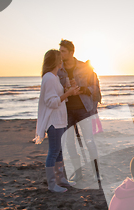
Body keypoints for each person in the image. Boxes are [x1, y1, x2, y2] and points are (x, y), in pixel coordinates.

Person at [35, 49, 80, 192]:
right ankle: (52, 184)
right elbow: (51, 102)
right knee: (54, 151)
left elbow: (58, 98)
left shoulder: (53, 77)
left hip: (60, 120)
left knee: (60, 151)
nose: (62, 61)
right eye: (60, 58)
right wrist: (68, 92)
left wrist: (70, 90)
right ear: (56, 61)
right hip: (53, 122)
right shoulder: (48, 78)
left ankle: (61, 179)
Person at [57, 39, 101, 181]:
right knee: (69, 143)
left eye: (63, 51)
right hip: (66, 110)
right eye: (60, 51)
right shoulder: (58, 69)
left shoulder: (84, 67)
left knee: (89, 140)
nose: (60, 54)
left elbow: (96, 89)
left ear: (71, 52)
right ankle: (78, 172)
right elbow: (55, 90)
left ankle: (97, 172)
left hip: (84, 109)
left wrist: (82, 89)